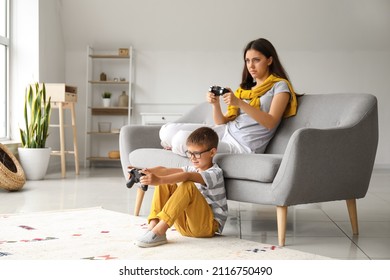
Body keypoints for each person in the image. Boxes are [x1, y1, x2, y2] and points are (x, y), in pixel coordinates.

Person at [159, 38, 298, 156]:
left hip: (242, 145)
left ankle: (177, 148)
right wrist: (216, 104)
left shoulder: (280, 86)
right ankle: (180, 149)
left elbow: (271, 122)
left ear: (269, 60)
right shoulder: (245, 90)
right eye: (247, 61)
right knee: (166, 130)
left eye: (256, 60)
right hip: (225, 131)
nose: (251, 66)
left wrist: (239, 103)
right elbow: (221, 122)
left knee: (180, 139)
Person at [134, 126, 227, 248]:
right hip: (185, 225)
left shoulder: (215, 173)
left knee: (187, 184)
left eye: (197, 154)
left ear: (212, 152)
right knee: (169, 181)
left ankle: (158, 232)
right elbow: (165, 170)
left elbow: (187, 176)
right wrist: (144, 170)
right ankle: (153, 227)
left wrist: (159, 180)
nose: (192, 158)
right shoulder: (192, 168)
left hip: (207, 227)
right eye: (190, 153)